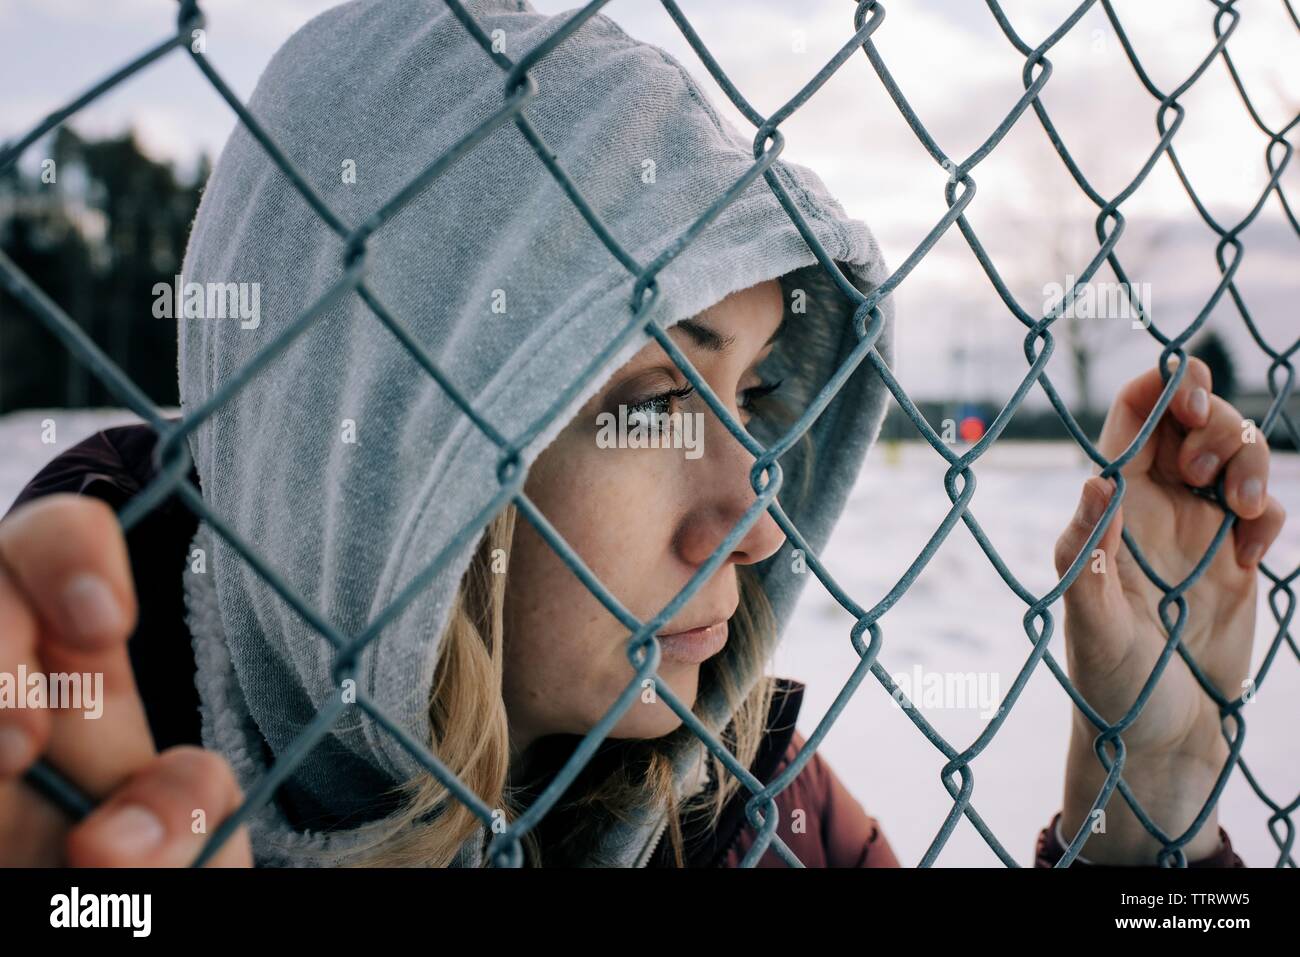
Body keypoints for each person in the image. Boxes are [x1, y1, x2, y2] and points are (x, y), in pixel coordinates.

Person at [0, 0, 1282, 868]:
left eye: (755, 394)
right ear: (381, 450)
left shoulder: (758, 818)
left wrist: (1144, 816)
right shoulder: (64, 798)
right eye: (656, 400)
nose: (760, 515)